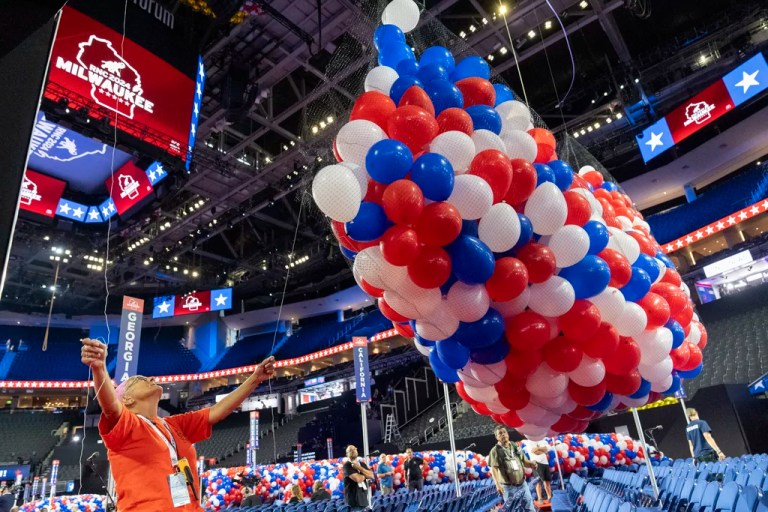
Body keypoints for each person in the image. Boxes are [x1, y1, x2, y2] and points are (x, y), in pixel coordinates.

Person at [80, 337, 275, 511]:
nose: (151, 378)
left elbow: (217, 411)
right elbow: (111, 407)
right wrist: (99, 369)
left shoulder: (173, 425)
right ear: (127, 399)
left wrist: (255, 378)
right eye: (140, 379)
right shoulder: (127, 425)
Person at [488, 426, 536, 512]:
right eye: (500, 433)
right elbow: (494, 469)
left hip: (522, 484)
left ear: (507, 434)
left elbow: (524, 461)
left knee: (530, 509)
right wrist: (497, 485)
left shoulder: (515, 446)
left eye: (504, 432)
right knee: (512, 510)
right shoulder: (495, 450)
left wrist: (531, 464)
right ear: (496, 437)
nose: (503, 434)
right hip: (508, 487)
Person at [343, 445, 373, 511]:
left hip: (363, 500)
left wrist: (359, 468)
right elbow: (358, 479)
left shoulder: (362, 464)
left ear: (357, 450)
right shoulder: (347, 465)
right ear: (347, 454)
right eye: (350, 450)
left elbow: (371, 475)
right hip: (353, 501)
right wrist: (365, 475)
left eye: (354, 449)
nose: (353, 451)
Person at [526, 439, 552, 504]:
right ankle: (540, 498)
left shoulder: (542, 440)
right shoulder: (529, 442)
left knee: (547, 481)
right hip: (536, 463)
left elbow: (547, 449)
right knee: (539, 482)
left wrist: (538, 449)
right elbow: (535, 452)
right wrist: (542, 450)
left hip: (545, 463)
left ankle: (549, 497)